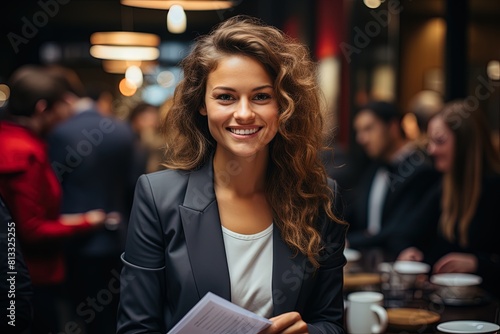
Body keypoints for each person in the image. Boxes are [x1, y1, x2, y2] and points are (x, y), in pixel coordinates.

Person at [117, 15, 347, 334]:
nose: (243, 113)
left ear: (284, 106)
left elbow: (332, 323)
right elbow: (136, 328)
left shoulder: (319, 197)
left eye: (261, 96)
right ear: (202, 104)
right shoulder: (158, 198)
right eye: (225, 97)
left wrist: (309, 332)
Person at [0, 65, 106, 333]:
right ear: (42, 108)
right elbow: (31, 229)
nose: (66, 114)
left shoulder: (15, 141)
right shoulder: (23, 153)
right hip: (29, 279)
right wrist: (85, 223)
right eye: (62, 107)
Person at [46, 66, 136, 334]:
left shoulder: (60, 131)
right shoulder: (123, 130)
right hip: (119, 233)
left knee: (80, 314)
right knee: (115, 311)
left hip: (76, 238)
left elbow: (53, 186)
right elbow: (134, 183)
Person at [398, 100, 500, 298]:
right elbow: (406, 232)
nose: (431, 150)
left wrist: (477, 263)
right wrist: (409, 250)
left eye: (440, 141)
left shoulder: (495, 189)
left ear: (465, 144)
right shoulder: (444, 187)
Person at [345, 100, 441, 258]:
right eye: (359, 131)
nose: (361, 139)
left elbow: (398, 229)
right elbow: (354, 214)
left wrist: (349, 242)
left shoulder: (421, 171)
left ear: (393, 127)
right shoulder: (372, 169)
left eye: (369, 129)